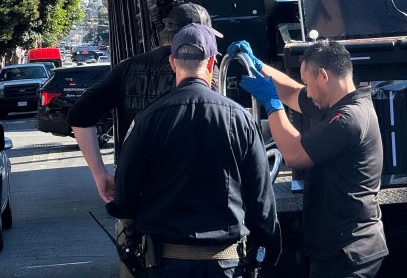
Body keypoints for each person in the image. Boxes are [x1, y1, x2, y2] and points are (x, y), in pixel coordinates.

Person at [107, 23, 280, 278]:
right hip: (228, 263)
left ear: (173, 64)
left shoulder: (147, 120)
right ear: (211, 64)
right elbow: (262, 201)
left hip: (166, 263)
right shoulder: (240, 119)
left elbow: (125, 195)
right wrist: (269, 252)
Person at [230, 39, 388, 278]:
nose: (307, 90)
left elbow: (294, 154)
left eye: (308, 82)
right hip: (338, 247)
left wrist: (271, 105)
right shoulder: (338, 103)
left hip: (348, 251)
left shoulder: (349, 118)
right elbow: (293, 93)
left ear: (323, 76)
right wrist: (257, 65)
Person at [68, 2, 222, 203]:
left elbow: (79, 114)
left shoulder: (127, 68)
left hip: (134, 187)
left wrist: (100, 174)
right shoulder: (206, 71)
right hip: (189, 187)